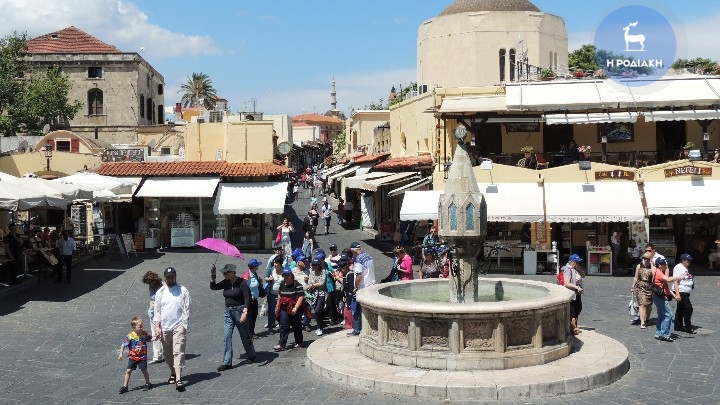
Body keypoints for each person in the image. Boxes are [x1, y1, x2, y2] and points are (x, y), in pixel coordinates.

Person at [210, 263, 256, 372]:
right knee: (227, 336)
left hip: (239, 311)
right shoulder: (225, 282)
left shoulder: (242, 283)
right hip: (228, 312)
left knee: (245, 335)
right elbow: (214, 287)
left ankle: (251, 355)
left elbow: (247, 298)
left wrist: (245, 312)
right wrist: (213, 276)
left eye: (226, 273)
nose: (224, 274)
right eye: (223, 273)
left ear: (232, 272)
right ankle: (227, 362)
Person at [153, 267, 191, 391]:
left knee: (178, 352)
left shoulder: (183, 290)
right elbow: (157, 311)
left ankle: (178, 379)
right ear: (165, 278)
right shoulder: (160, 292)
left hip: (179, 326)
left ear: (175, 276)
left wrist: (184, 325)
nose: (171, 279)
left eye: (172, 277)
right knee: (167, 353)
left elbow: (188, 308)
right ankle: (173, 372)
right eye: (168, 277)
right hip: (165, 327)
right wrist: (157, 327)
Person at [117, 316, 155, 394]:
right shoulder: (130, 336)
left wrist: (156, 338)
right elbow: (123, 344)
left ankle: (148, 383)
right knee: (128, 371)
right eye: (139, 327)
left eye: (142, 326)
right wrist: (121, 354)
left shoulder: (144, 333)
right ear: (134, 327)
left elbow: (149, 339)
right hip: (133, 357)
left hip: (142, 356)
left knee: (144, 370)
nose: (141, 328)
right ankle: (125, 386)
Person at [273, 266, 305, 352]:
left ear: (291, 275)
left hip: (294, 308)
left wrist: (296, 307)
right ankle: (281, 344)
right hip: (284, 308)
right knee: (284, 326)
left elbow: (301, 296)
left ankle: (299, 341)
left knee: (296, 325)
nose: (286, 276)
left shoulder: (297, 285)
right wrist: (278, 305)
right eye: (284, 275)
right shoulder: (282, 284)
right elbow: (280, 295)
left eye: (287, 275)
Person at [347, 241, 375, 336]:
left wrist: (355, 287)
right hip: (371, 285)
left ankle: (357, 330)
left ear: (353, 250)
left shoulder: (358, 259)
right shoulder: (368, 256)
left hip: (362, 288)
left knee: (355, 309)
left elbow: (359, 275)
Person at [651, 258, 682, 342]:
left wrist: (674, 295)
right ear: (660, 265)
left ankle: (659, 333)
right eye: (665, 265)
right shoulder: (659, 272)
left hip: (658, 296)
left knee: (661, 315)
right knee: (668, 315)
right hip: (660, 297)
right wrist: (678, 277)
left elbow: (666, 287)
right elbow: (668, 280)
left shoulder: (659, 272)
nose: (666, 266)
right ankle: (665, 334)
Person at [141, 271, 164, 364]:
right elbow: (152, 299)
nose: (149, 285)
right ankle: (157, 356)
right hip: (153, 313)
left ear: (154, 280)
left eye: (150, 282)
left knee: (164, 334)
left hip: (162, 313)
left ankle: (167, 352)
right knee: (155, 334)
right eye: (148, 283)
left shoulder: (163, 286)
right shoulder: (151, 287)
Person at [672, 254, 695, 334]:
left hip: (686, 291)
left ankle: (678, 326)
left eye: (690, 260)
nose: (689, 262)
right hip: (681, 290)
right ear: (683, 260)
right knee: (688, 308)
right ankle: (688, 327)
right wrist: (677, 293)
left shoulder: (686, 267)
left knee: (681, 308)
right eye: (688, 260)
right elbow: (675, 280)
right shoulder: (678, 267)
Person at [562, 254, 585, 335]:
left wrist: (580, 269)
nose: (578, 263)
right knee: (572, 311)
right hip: (572, 294)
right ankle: (572, 328)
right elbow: (566, 283)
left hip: (577, 293)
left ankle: (574, 327)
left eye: (578, 262)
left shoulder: (575, 269)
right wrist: (576, 287)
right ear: (572, 261)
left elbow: (583, 276)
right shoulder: (568, 269)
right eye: (576, 262)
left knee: (578, 309)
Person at [241, 259, 264, 339]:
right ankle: (248, 334)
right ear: (254, 267)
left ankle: (252, 332)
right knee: (249, 317)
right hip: (249, 300)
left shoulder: (254, 274)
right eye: (257, 265)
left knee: (254, 316)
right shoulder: (246, 276)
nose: (258, 266)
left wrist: (259, 282)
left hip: (255, 299)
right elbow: (243, 288)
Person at [630, 251, 654, 328]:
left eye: (648, 258)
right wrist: (633, 286)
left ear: (651, 259)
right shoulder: (639, 266)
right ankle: (642, 322)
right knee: (642, 304)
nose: (646, 260)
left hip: (649, 287)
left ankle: (647, 319)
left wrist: (652, 265)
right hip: (640, 287)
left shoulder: (653, 267)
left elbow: (654, 276)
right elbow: (636, 277)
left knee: (649, 305)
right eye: (644, 258)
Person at [308, 255, 328, 335]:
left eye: (317, 265)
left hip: (321, 293)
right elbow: (309, 282)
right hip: (313, 294)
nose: (315, 267)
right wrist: (314, 285)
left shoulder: (323, 272)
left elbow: (322, 283)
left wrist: (313, 285)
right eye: (314, 265)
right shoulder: (311, 273)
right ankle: (319, 324)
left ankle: (320, 327)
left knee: (318, 310)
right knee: (316, 310)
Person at [265, 254, 284, 335]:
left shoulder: (284, 270)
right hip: (272, 294)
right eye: (274, 263)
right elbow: (266, 277)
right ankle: (271, 327)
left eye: (277, 263)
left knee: (281, 310)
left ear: (280, 264)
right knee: (271, 311)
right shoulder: (271, 269)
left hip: (282, 294)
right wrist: (269, 279)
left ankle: (281, 325)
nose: (275, 265)